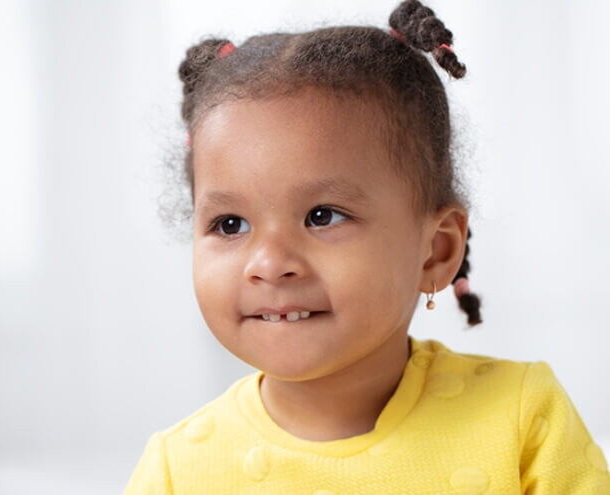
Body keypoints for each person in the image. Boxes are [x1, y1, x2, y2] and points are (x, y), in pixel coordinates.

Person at [124, 0, 610, 492]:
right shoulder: (178, 470)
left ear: (437, 251)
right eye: (230, 224)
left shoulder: (523, 420)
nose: (268, 264)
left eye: (322, 216)